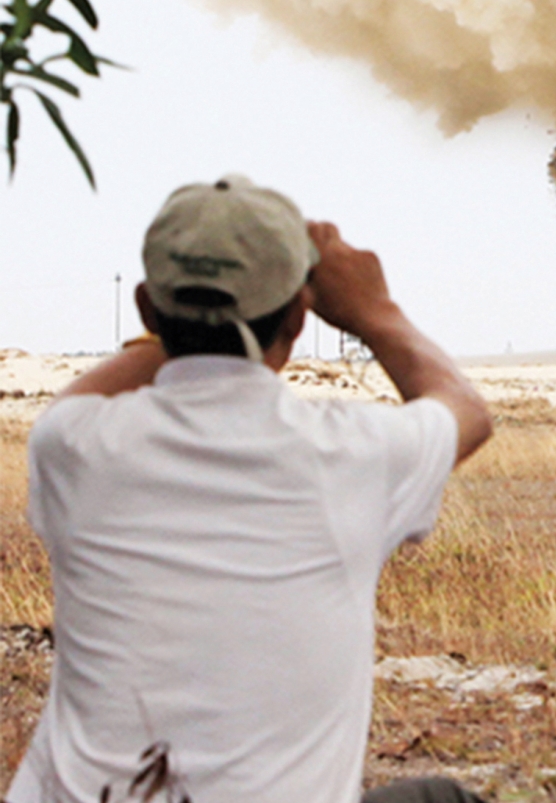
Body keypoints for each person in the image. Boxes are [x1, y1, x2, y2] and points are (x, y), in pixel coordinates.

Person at [4, 175, 496, 803]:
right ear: (299, 314)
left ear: (148, 309)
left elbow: (71, 403)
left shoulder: (76, 445)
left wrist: (188, 321)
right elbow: (464, 408)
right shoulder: (346, 451)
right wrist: (373, 312)